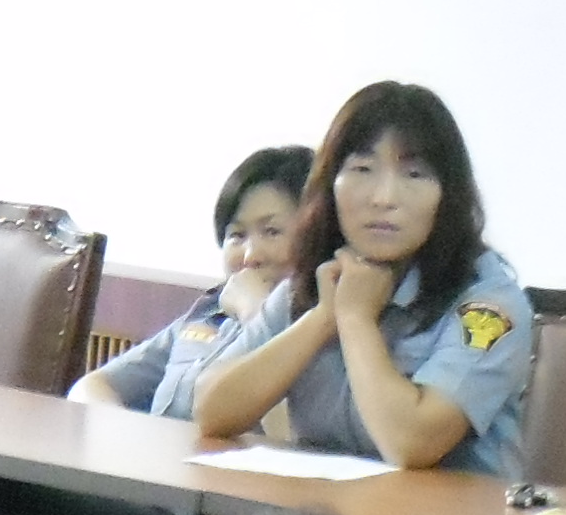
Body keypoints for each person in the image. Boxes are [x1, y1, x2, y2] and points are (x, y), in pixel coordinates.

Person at [187, 83, 534, 477]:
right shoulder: (316, 280)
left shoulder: (489, 305)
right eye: (362, 170)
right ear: (329, 185)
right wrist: (323, 317)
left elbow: (412, 442)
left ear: (448, 195)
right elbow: (211, 410)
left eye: (414, 174)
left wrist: (355, 319)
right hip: (319, 510)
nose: (384, 197)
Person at [74, 144, 311, 417]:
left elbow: (288, 429)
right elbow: (91, 386)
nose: (250, 255)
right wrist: (129, 433)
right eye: (237, 235)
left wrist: (257, 314)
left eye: (271, 231)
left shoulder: (316, 335)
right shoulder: (208, 313)